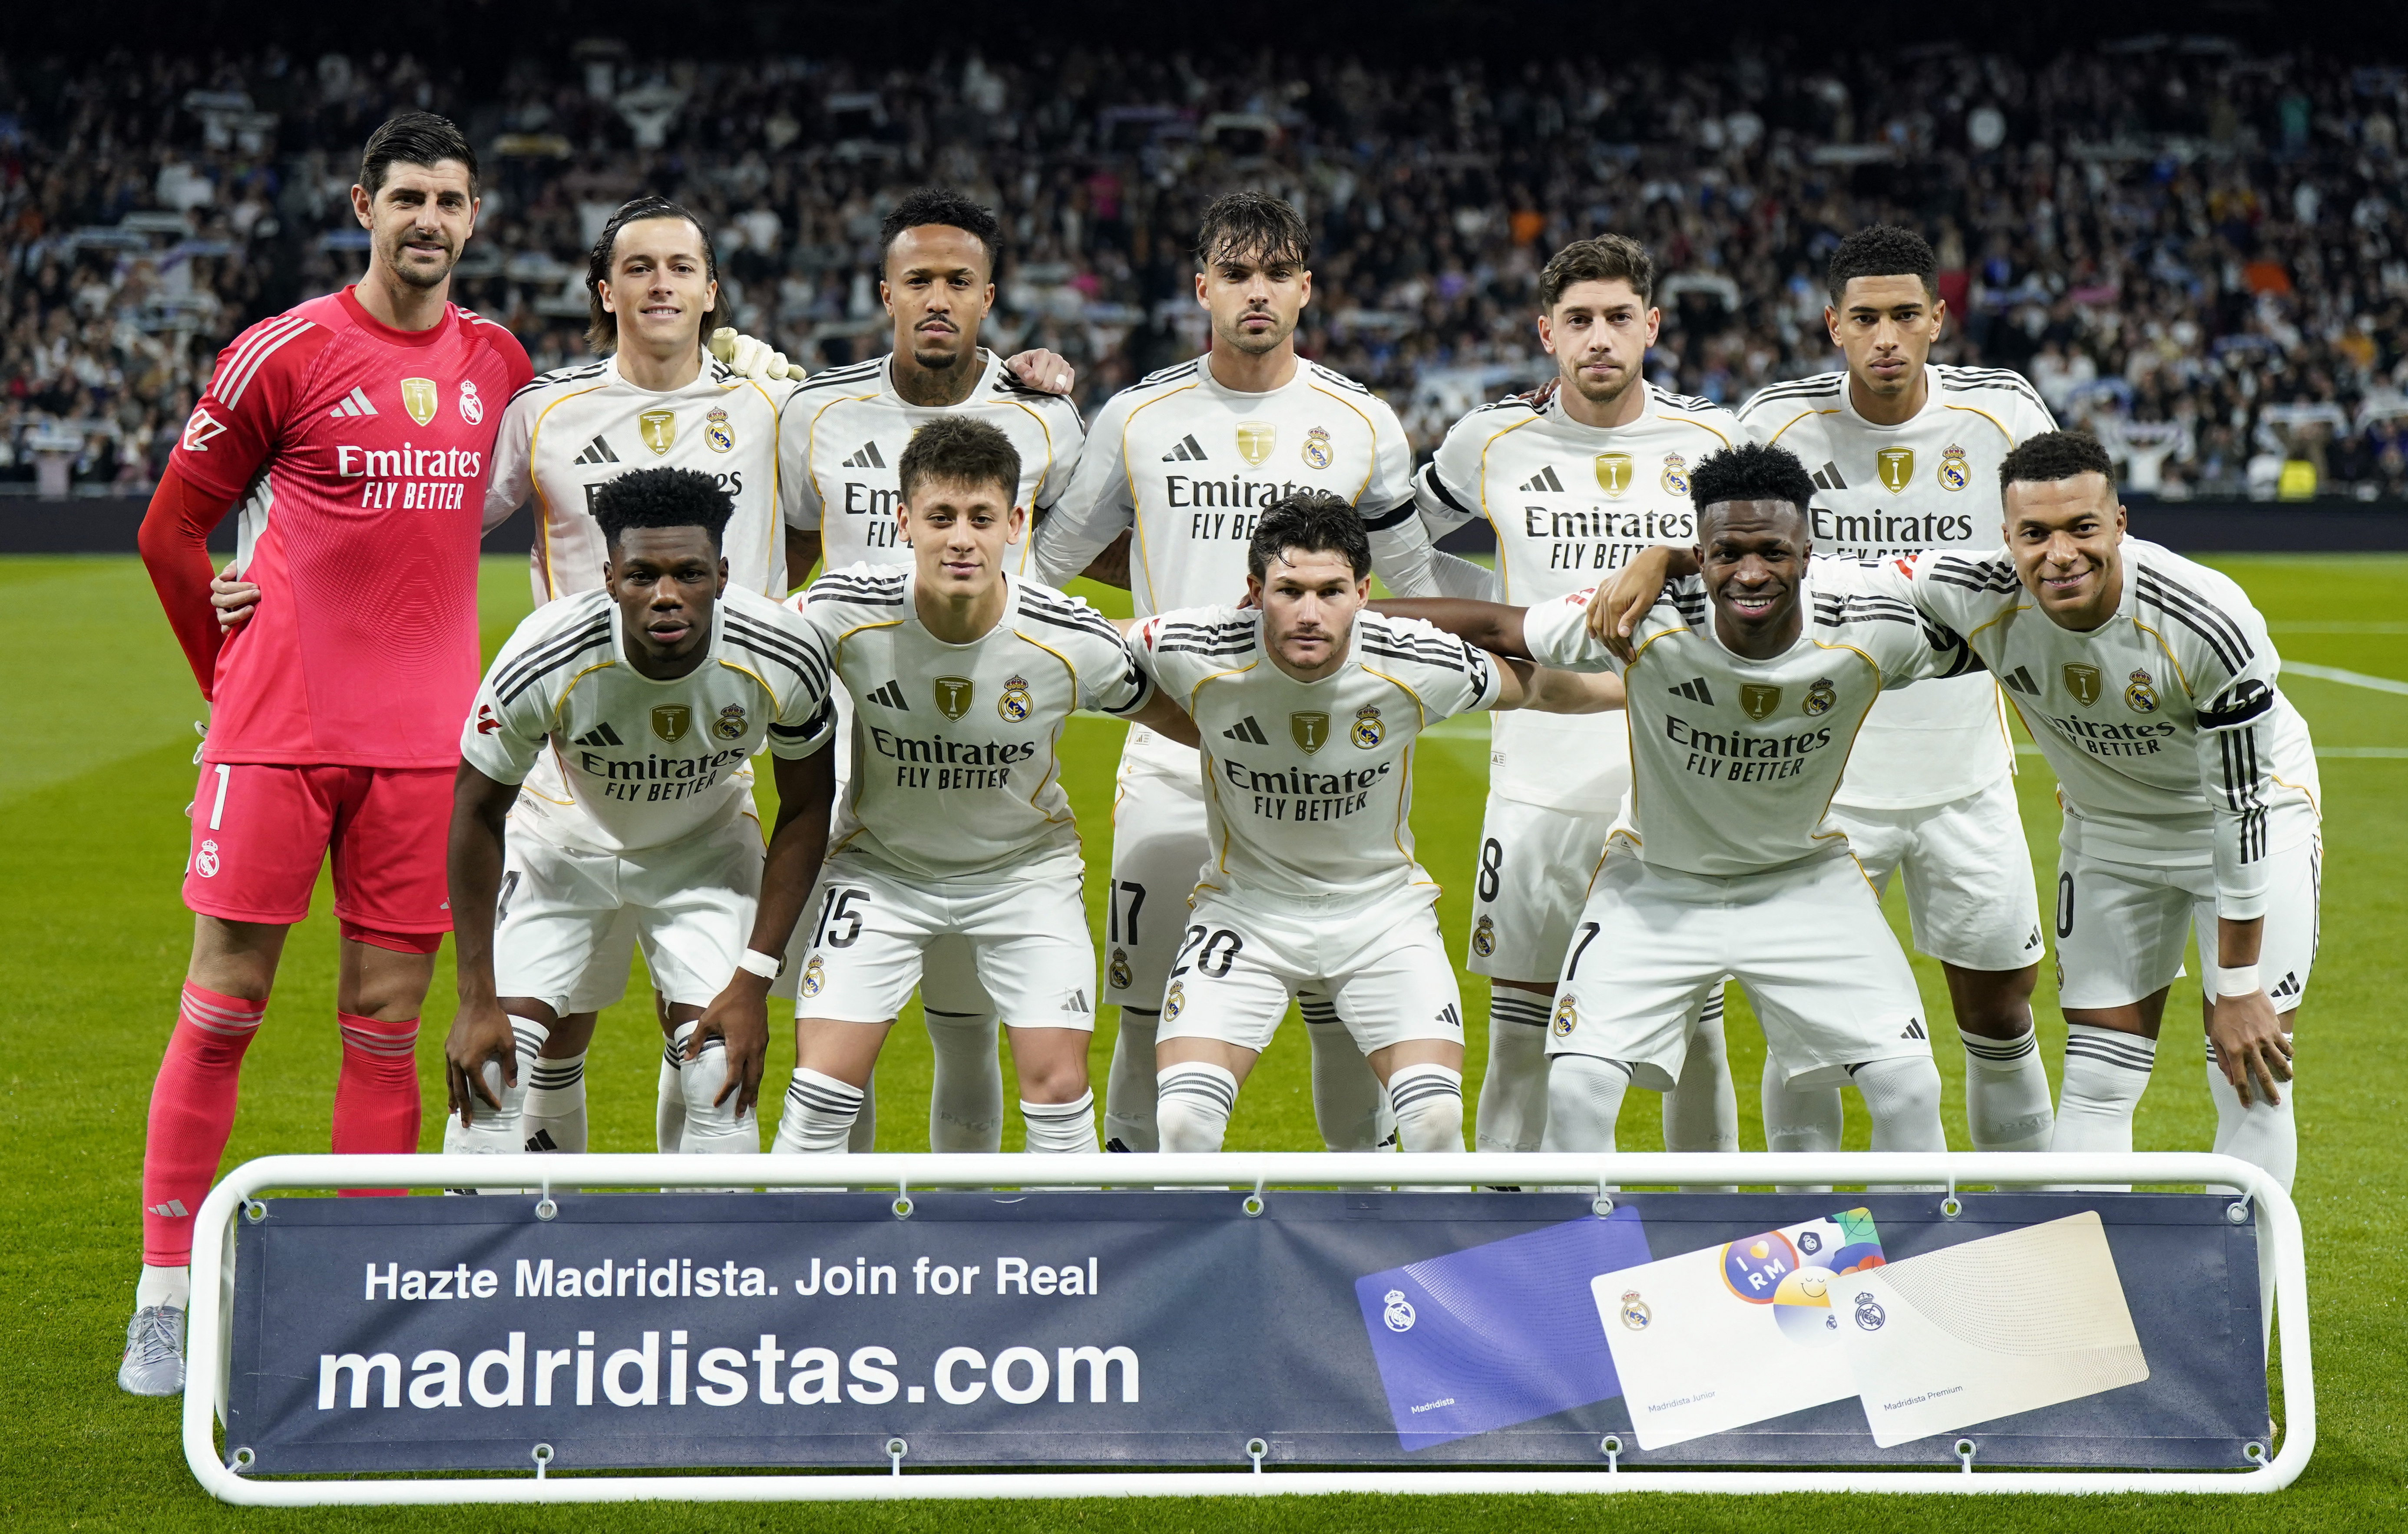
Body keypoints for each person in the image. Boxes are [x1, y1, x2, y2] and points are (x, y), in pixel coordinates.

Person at [122, 112, 532, 1395]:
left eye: (450, 199)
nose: (428, 219)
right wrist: (227, 676)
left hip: (426, 747)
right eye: (406, 194)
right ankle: (166, 1293)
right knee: (223, 1002)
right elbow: (169, 535)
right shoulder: (283, 353)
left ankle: (367, 1292)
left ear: (474, 218)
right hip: (282, 735)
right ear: (363, 204)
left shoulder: (500, 363)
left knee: (386, 1024)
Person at [1388, 441, 1979, 1160]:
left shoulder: (1872, 621)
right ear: (1700, 554)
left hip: (1803, 882)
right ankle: (1590, 1272)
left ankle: (1914, 1273)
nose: (1752, 573)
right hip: (1654, 885)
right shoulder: (1643, 612)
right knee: (1578, 1093)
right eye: (1728, 553)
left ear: (1808, 551)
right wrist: (1343, 617)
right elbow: (1499, 628)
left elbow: (2007, 635)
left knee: (1910, 1090)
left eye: (1775, 552)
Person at [1030, 190, 1445, 1156]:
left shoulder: (1360, 420)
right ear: (1202, 286)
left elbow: (1413, 587)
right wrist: (1010, 389)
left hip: (1334, 762)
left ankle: (1365, 1215)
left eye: (1275, 273)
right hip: (1176, 761)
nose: (1254, 292)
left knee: (1343, 1016)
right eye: (1235, 273)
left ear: (1305, 288)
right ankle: (1147, 1231)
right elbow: (1046, 564)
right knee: (1144, 1014)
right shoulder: (1137, 416)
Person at [1125, 492, 1621, 1156]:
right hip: (1245, 914)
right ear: (1253, 591)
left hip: (1381, 917)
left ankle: (1400, 1250)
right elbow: (1082, 655)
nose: (1308, 613)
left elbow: (1541, 687)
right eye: (1288, 590)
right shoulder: (1195, 644)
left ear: (1363, 591)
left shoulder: (1414, 659)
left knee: (1437, 1122)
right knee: (1183, 1124)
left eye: (1331, 591)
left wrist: (1646, 690)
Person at [769, 416, 1197, 1155]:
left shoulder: (1072, 639)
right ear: (904, 522)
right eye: (939, 517)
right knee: (817, 1096)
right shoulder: (837, 614)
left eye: (981, 518)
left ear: (1016, 524)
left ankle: (1060, 1270)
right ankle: (806, 1270)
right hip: (882, 872)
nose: (960, 539)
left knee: (1061, 1095)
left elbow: (1185, 719)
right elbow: (738, 658)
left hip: (1024, 875)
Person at [1408, 233, 1740, 1166]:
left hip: (1673, 780)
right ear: (1547, 332)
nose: (1601, 338)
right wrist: (1500, 621)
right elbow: (1394, 548)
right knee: (1519, 1032)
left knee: (1697, 1034)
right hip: (1538, 780)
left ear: (1653, 326)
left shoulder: (1710, 441)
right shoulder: (1491, 438)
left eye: (1620, 319)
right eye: (1581, 321)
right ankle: (1513, 1247)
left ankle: (1707, 1242)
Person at [770, 187, 1089, 1155]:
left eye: (959, 280)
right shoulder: (815, 413)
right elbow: (789, 551)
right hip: (839, 751)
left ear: (989, 295)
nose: (938, 297)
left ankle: (970, 1250)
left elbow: (1072, 554)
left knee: (969, 1029)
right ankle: (844, 1245)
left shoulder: (1047, 421)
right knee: (831, 1044)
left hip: (989, 742)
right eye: (920, 280)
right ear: (886, 293)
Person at [1734, 225, 2059, 1160]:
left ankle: (2023, 1228)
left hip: (1965, 768)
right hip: (1823, 784)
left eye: (1905, 316)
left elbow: (2053, 563)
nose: (1886, 337)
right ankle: (1815, 1252)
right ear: (1832, 324)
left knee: (2000, 1011)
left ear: (1938, 320)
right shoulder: (1777, 424)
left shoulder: (2001, 413)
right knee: (1809, 1034)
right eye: (1865, 317)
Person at [442, 467, 835, 1163]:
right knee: (490, 1074)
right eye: (641, 575)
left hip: (703, 852)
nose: (665, 596)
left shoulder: (781, 650)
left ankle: (701, 1269)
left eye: (688, 574)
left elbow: (807, 807)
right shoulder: (545, 653)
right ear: (608, 577)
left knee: (718, 1065)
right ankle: (508, 1269)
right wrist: (476, 995)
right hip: (559, 844)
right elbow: (476, 809)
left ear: (721, 572)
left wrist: (753, 980)